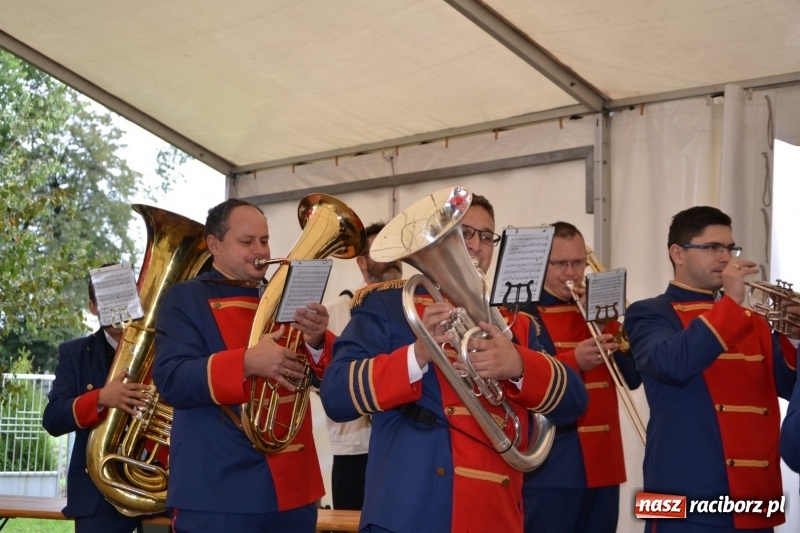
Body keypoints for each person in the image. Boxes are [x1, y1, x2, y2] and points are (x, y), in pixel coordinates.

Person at [320, 192, 588, 533]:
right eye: (464, 233)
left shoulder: (518, 325)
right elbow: (337, 394)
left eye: (487, 236)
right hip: (412, 514)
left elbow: (573, 403)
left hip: (496, 516)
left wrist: (518, 365)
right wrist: (417, 355)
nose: (476, 246)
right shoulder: (390, 306)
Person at [152, 198, 335, 533]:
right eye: (246, 242)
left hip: (294, 486)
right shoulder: (185, 298)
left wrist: (318, 340)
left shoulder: (284, 296)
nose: (259, 250)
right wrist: (247, 362)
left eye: (264, 241)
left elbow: (331, 383)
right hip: (218, 488)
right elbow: (171, 379)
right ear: (214, 245)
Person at [625, 205, 799, 532]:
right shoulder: (648, 314)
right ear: (677, 253)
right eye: (712, 248)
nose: (725, 258)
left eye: (730, 248)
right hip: (680, 497)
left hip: (755, 499)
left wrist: (794, 338)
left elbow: (789, 387)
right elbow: (672, 363)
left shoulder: (755, 322)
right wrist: (731, 305)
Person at [521, 221, 641, 533]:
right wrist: (573, 361)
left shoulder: (599, 307)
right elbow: (529, 376)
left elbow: (633, 376)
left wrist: (605, 323)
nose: (571, 273)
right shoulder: (526, 313)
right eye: (561, 264)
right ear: (542, 264)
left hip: (604, 463)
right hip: (555, 467)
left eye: (578, 263)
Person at [42, 268, 151, 533]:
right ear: (93, 307)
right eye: (108, 301)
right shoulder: (75, 353)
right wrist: (101, 398)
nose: (118, 309)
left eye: (125, 299)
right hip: (97, 494)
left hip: (158, 486)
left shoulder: (164, 349)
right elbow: (53, 418)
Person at [323, 221, 403, 511]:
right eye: (381, 251)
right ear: (361, 261)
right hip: (354, 450)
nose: (392, 258)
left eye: (395, 250)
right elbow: (325, 383)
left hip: (402, 445)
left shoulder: (416, 306)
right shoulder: (335, 312)